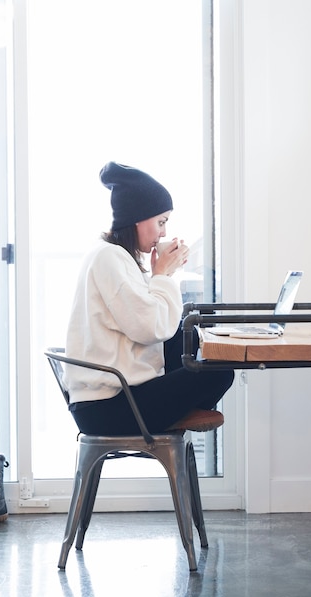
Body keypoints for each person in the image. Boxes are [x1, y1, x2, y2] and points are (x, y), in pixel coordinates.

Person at [64, 161, 234, 436]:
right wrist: (163, 275)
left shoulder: (117, 257)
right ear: (138, 218)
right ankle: (184, 407)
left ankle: (183, 405)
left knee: (183, 334)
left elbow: (157, 326)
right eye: (161, 222)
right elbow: (150, 327)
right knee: (221, 372)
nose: (164, 232)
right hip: (109, 406)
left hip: (114, 397)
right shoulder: (110, 258)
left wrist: (162, 274)